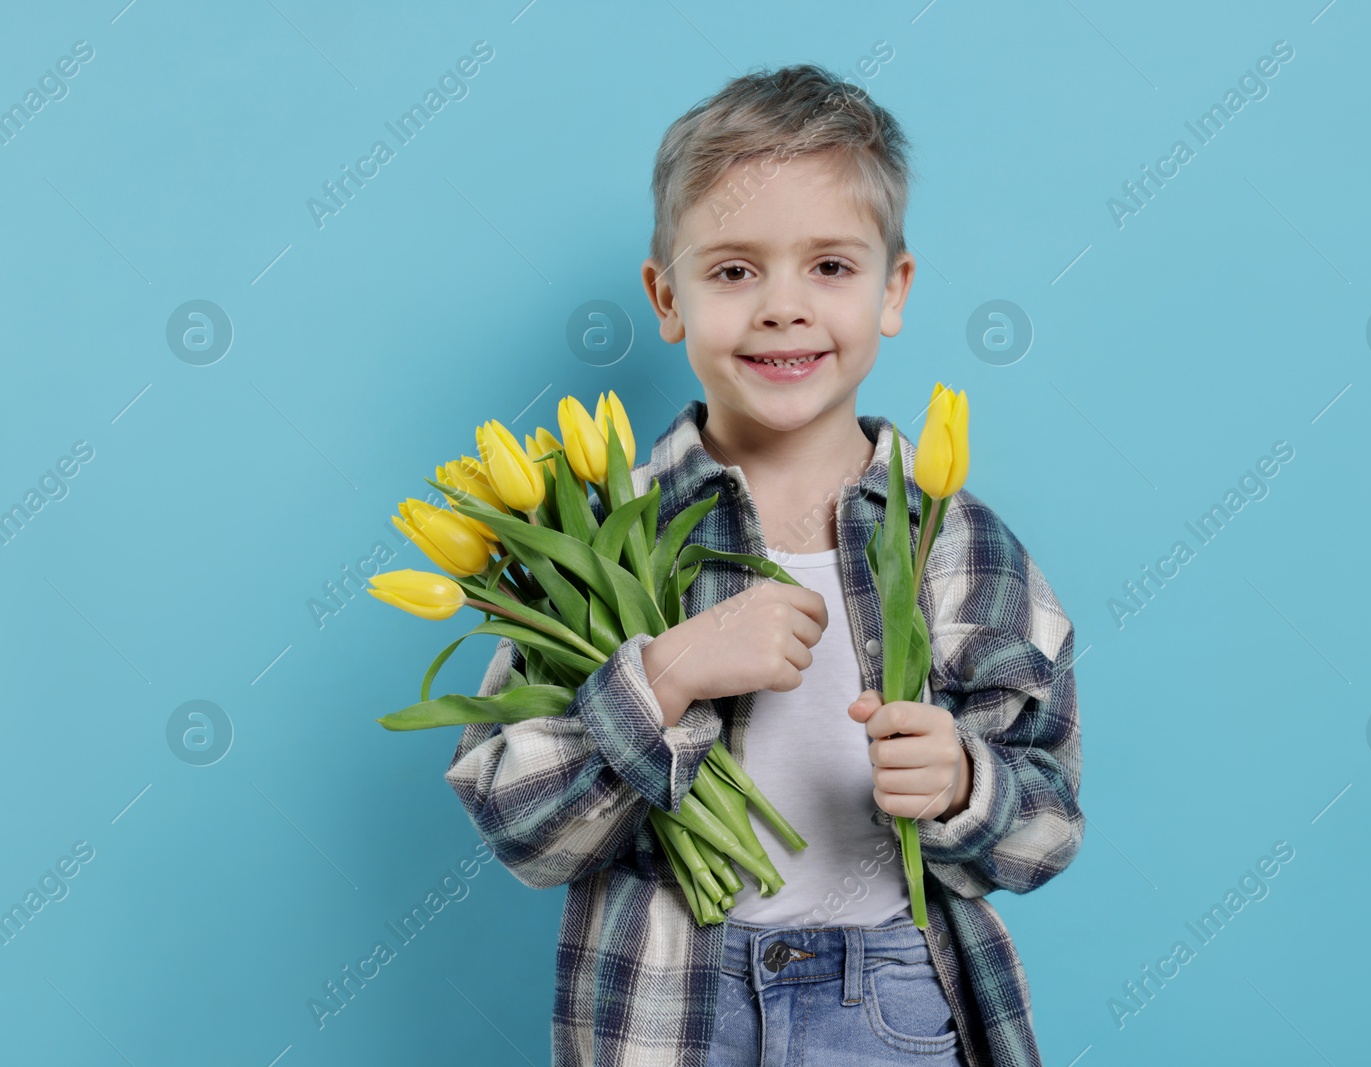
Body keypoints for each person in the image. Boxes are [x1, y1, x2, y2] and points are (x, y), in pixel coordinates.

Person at [445, 62, 1082, 1067]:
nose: (783, 307)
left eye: (829, 266)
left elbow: (1046, 829)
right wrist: (661, 678)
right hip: (669, 1012)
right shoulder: (601, 532)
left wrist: (964, 778)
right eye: (734, 270)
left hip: (895, 1004)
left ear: (892, 290)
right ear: (667, 296)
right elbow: (525, 829)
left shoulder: (963, 547)